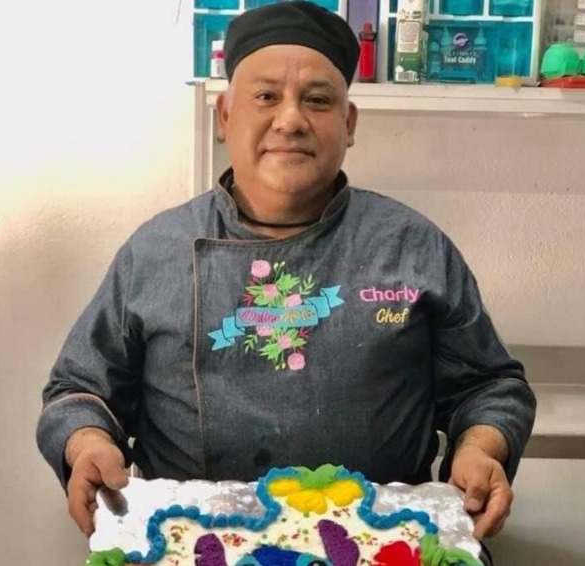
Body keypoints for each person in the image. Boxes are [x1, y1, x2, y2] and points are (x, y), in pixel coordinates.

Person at [36, 2, 536, 563]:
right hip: (194, 545)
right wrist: (87, 443)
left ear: (349, 124)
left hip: (382, 543)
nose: (291, 120)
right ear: (225, 115)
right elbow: (78, 391)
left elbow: (490, 387)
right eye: (266, 96)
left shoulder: (413, 245)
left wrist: (481, 447)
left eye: (318, 100)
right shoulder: (156, 250)